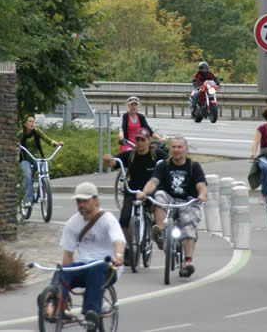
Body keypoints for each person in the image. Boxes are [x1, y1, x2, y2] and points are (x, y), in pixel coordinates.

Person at [55, 182, 125, 330]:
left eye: (85, 201)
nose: (81, 204)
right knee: (61, 271)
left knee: (97, 268)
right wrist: (65, 275)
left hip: (107, 267)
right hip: (83, 265)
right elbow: (68, 253)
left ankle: (91, 312)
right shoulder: (72, 223)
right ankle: (54, 304)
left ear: (96, 200)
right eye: (78, 201)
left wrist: (118, 256)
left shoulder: (107, 219)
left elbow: (118, 240)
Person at [136, 136, 207, 278]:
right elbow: (154, 181)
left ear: (186, 149)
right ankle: (160, 231)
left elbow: (201, 184)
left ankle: (188, 262)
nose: (176, 150)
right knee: (160, 195)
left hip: (187, 202)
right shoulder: (163, 165)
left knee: (188, 223)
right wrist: (144, 192)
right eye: (174, 147)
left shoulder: (193, 165)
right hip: (169, 200)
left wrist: (202, 195)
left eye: (179, 147)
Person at [102, 127, 168, 254]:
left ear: (148, 140)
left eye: (143, 140)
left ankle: (158, 230)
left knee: (158, 202)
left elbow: (170, 162)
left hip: (151, 191)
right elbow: (112, 163)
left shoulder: (157, 154)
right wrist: (107, 160)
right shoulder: (130, 155)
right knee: (125, 219)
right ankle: (129, 247)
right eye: (137, 139)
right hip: (132, 191)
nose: (140, 143)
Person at [18, 115, 63, 207]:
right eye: (30, 121)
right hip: (25, 159)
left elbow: (48, 139)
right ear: (25, 124)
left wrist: (56, 143)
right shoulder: (21, 134)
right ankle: (28, 200)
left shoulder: (37, 132)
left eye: (33, 121)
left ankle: (41, 194)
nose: (32, 123)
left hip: (36, 158)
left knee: (43, 172)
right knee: (27, 175)